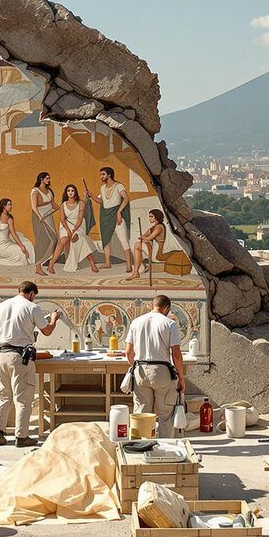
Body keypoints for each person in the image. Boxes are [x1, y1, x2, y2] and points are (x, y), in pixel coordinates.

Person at [0, 280, 59, 447]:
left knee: (3, 395)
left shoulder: (1, 306)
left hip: (1, 354)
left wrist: (4, 342)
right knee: (23, 398)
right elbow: (47, 331)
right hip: (20, 357)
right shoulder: (32, 307)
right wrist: (54, 320)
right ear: (32, 294)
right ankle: (22, 436)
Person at [125, 294, 186, 438]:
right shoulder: (170, 324)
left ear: (153, 306)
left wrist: (136, 366)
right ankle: (165, 449)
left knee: (141, 413)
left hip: (140, 371)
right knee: (165, 415)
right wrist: (181, 378)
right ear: (167, 308)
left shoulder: (136, 322)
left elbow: (128, 352)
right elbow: (176, 355)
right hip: (162, 372)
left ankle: (140, 446)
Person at [55, 183, 100, 274]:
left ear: (75, 192)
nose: (70, 192)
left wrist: (74, 230)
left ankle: (92, 264)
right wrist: (68, 230)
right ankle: (71, 262)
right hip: (67, 225)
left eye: (72, 191)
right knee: (70, 239)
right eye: (68, 191)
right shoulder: (63, 204)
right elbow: (63, 219)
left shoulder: (81, 203)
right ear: (66, 193)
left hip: (78, 226)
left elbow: (80, 219)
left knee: (81, 239)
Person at [93, 167, 132, 272]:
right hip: (105, 217)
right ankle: (107, 263)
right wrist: (91, 195)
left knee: (124, 240)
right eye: (101, 174)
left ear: (109, 175)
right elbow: (102, 202)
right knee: (106, 240)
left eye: (103, 174)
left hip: (116, 215)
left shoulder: (118, 186)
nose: (101, 176)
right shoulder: (102, 188)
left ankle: (129, 265)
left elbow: (126, 198)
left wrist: (119, 212)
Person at [0, 198, 33, 267]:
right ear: (4, 206)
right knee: (21, 252)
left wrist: (21, 245)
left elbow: (13, 233)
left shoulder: (9, 218)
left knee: (22, 250)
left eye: (11, 205)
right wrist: (21, 246)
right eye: (9, 205)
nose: (11, 206)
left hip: (6, 243)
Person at [30, 171, 59, 276]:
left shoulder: (49, 190)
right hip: (39, 217)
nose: (48, 180)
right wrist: (40, 217)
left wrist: (65, 205)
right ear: (41, 179)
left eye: (49, 178)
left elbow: (54, 205)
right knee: (41, 240)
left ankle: (46, 260)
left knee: (54, 239)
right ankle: (38, 267)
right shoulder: (35, 191)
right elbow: (34, 206)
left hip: (48, 216)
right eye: (47, 178)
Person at [130, 209, 167, 280]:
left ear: (156, 217)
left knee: (137, 245)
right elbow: (144, 236)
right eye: (149, 216)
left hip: (158, 253)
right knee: (137, 245)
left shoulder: (159, 227)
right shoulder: (153, 227)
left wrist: (144, 238)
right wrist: (142, 237)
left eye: (151, 216)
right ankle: (136, 271)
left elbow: (148, 238)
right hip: (154, 249)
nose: (149, 218)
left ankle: (136, 272)